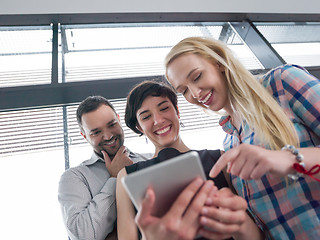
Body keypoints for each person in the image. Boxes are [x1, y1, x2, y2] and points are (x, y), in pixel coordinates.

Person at [164, 36, 320, 239]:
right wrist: (234, 220)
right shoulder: (229, 143)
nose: (195, 93)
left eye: (197, 77)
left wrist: (287, 158)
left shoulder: (281, 83)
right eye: (183, 90)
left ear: (219, 62)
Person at [116, 81, 263, 240]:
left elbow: (254, 235)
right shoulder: (126, 177)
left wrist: (238, 222)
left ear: (177, 111)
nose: (158, 120)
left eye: (164, 108)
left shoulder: (219, 160)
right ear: (139, 127)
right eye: (146, 117)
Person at [58, 96, 151, 240]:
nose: (108, 136)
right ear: (85, 136)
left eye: (112, 124)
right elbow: (84, 236)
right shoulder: (74, 177)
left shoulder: (150, 159)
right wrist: (115, 178)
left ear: (119, 120)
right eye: (96, 132)